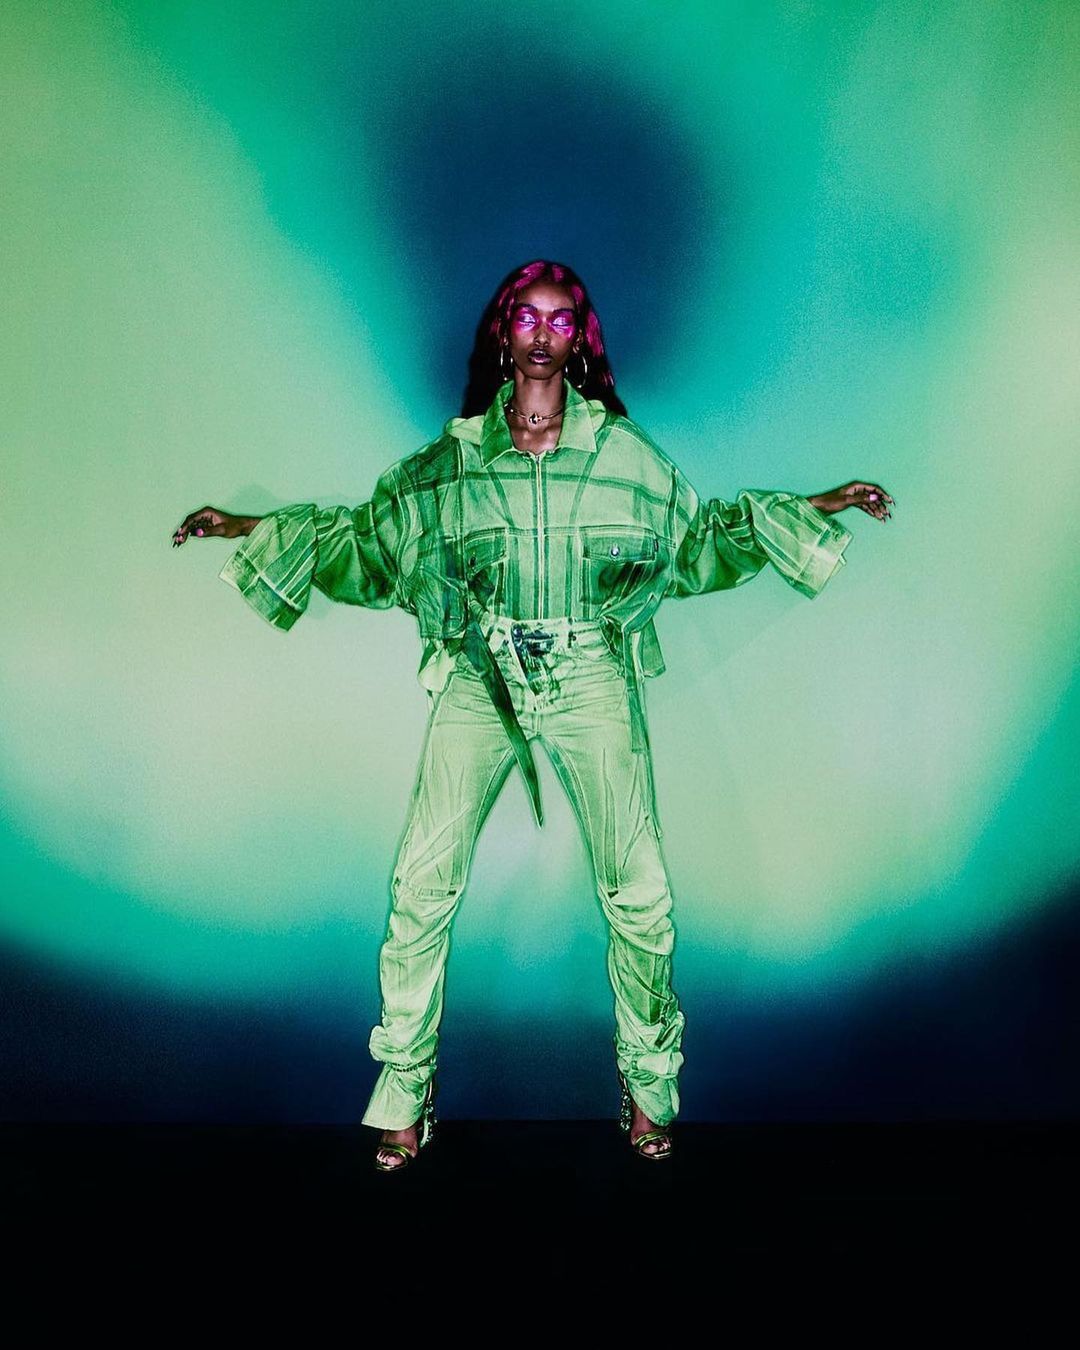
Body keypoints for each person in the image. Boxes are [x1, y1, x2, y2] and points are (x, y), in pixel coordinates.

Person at [173, 258, 893, 1171]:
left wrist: (818, 505)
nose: (543, 334)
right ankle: (404, 1092)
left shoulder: (624, 456)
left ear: (579, 338)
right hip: (482, 671)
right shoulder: (454, 461)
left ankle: (649, 1085)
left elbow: (699, 537)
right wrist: (246, 526)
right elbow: (368, 539)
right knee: (421, 885)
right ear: (504, 331)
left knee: (638, 891)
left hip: (592, 671)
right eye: (528, 316)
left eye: (561, 319)